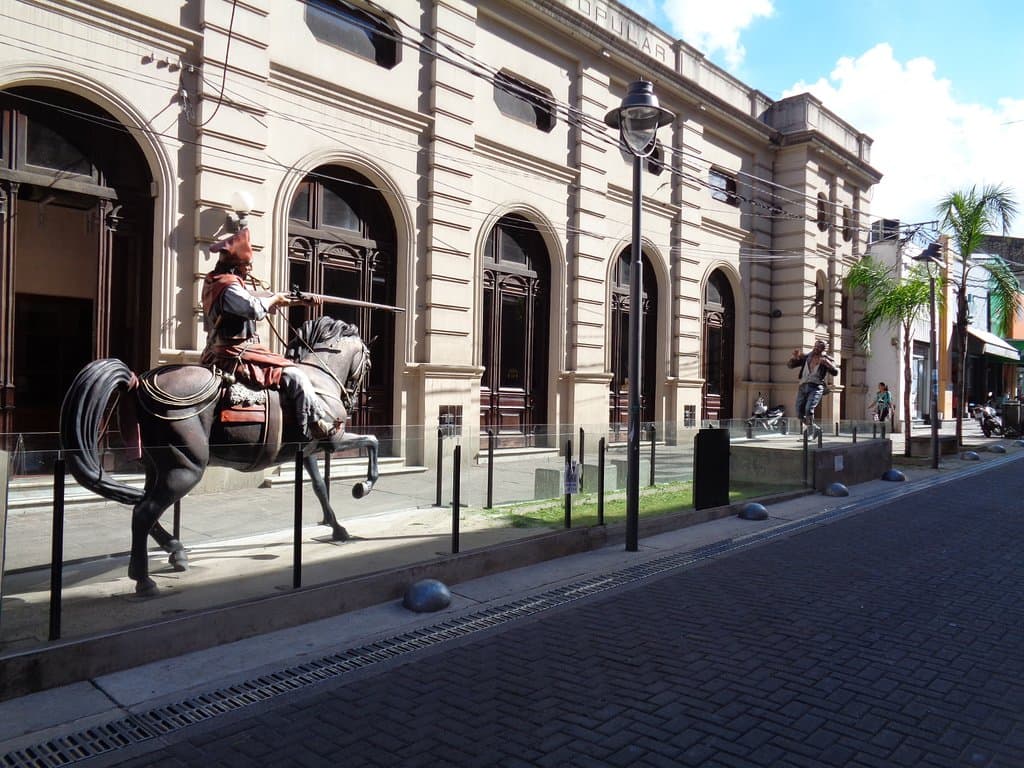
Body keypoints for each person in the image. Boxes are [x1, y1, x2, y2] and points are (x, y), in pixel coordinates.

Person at [201, 226, 337, 440]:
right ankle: (313, 423)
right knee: (296, 375)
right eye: (246, 266)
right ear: (236, 266)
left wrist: (299, 301)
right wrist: (274, 299)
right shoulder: (228, 287)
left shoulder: (216, 281)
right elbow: (255, 308)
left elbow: (257, 299)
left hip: (225, 348)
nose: (248, 270)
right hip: (237, 351)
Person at [787, 339, 838, 436]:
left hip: (816, 387)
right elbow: (790, 366)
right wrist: (794, 358)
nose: (816, 348)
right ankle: (815, 429)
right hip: (802, 386)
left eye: (819, 347)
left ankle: (810, 433)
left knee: (808, 409)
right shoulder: (806, 357)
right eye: (815, 346)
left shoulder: (827, 359)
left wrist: (827, 363)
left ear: (823, 349)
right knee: (799, 413)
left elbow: (835, 372)